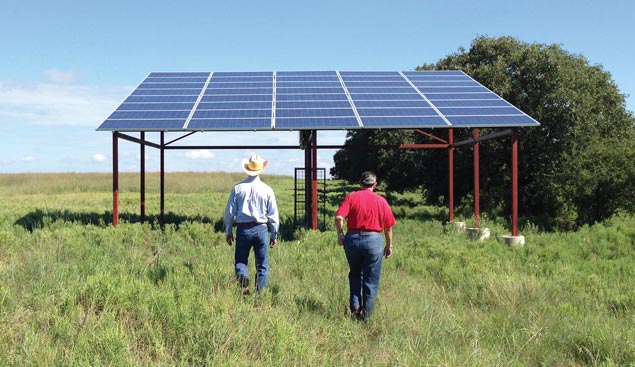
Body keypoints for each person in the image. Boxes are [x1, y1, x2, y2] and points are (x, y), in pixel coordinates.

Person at [335, 171, 396, 320]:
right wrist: (389, 245)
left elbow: (338, 217)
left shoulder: (352, 197)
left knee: (355, 273)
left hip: (353, 239)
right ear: (374, 185)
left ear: (360, 183)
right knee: (371, 278)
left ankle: (355, 308)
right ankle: (367, 315)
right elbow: (388, 227)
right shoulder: (381, 201)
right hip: (374, 240)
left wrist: (340, 234)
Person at [224, 153, 279, 295]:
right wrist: (274, 234)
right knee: (262, 266)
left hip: (243, 229)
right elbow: (273, 215)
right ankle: (260, 297)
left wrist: (229, 231)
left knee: (241, 261)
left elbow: (230, 213)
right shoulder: (268, 190)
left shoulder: (238, 188)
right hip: (261, 229)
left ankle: (244, 278)